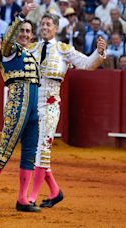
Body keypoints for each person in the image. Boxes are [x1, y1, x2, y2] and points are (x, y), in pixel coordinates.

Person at [26, 12, 106, 208]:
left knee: (43, 149)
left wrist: (99, 53)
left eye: (48, 24)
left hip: (51, 105)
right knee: (34, 151)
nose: (44, 27)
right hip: (32, 105)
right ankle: (54, 192)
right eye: (42, 24)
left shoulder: (63, 50)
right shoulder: (32, 49)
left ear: (55, 28)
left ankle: (32, 197)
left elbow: (87, 64)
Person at [0, 1, 42, 212]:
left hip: (33, 107)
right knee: (6, 148)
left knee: (30, 152)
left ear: (32, 36)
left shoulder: (30, 53)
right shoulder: (9, 49)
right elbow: (8, 37)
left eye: (27, 31)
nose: (24, 33)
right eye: (21, 30)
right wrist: (22, 15)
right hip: (17, 104)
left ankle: (22, 199)